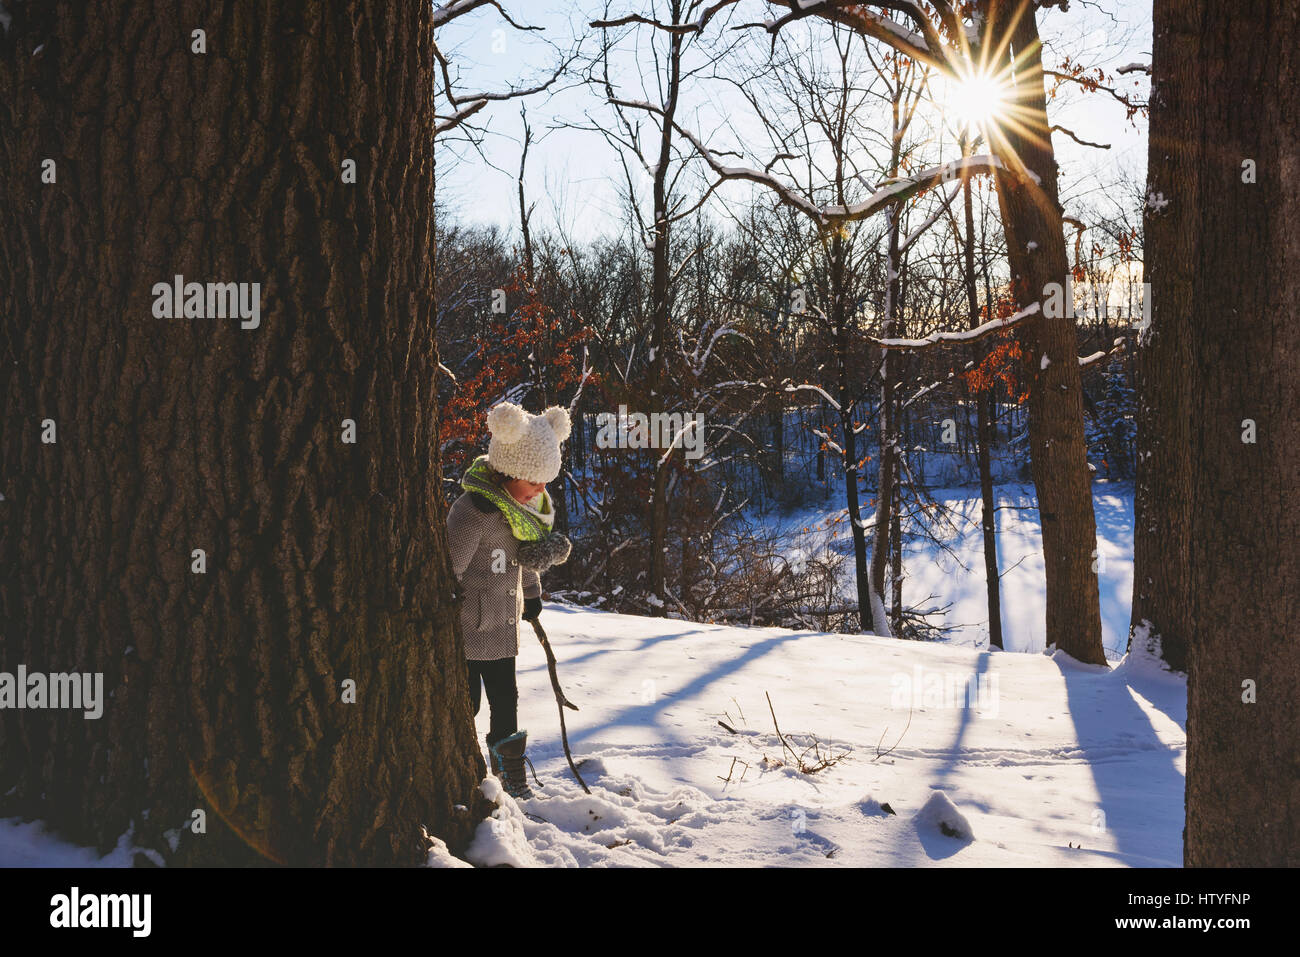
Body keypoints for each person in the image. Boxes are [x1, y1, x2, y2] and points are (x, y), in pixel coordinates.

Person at [446, 401, 572, 799]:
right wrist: (442, 609)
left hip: (503, 626)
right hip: (468, 629)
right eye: (533, 481)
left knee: (506, 702)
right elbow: (448, 569)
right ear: (507, 472)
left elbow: (526, 558)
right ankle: (458, 768)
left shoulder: (524, 512)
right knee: (466, 702)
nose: (540, 490)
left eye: (544, 482)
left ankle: (509, 777)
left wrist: (531, 597)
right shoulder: (473, 512)